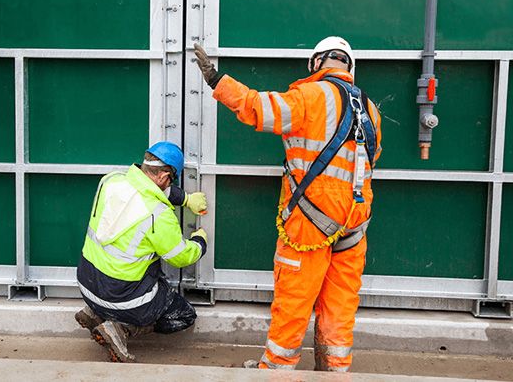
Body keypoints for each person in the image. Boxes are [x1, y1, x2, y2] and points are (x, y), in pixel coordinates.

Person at [194, 37, 382, 372]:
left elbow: (258, 109)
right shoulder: (371, 110)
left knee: (294, 297)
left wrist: (216, 80)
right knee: (340, 302)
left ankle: (278, 368)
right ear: (349, 66)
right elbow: (370, 160)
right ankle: (334, 370)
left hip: (311, 219)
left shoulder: (310, 96)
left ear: (315, 63)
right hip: (354, 221)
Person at [74, 141, 208, 362]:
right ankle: (120, 329)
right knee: (182, 314)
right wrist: (199, 242)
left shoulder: (110, 181)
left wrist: (185, 199)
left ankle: (96, 313)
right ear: (165, 177)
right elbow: (182, 257)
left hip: (86, 285)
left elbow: (145, 188)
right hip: (121, 297)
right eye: (170, 180)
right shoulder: (159, 215)